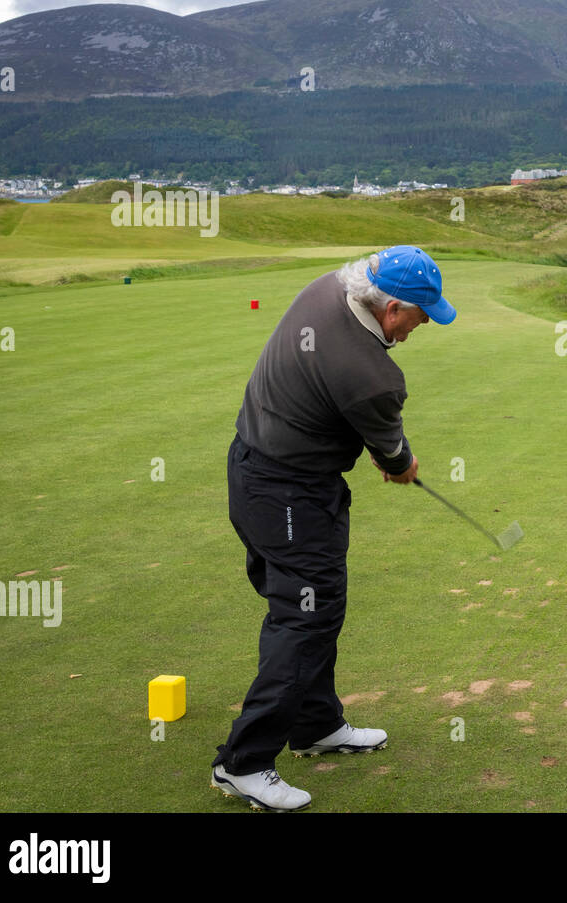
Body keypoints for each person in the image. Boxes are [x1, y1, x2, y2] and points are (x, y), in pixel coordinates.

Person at [211, 245, 455, 811]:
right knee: (306, 616)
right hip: (289, 494)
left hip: (251, 468)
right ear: (391, 308)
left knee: (308, 609)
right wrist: (401, 465)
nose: (419, 328)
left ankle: (316, 725)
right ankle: (243, 763)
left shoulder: (328, 286)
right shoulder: (373, 375)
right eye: (420, 316)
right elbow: (392, 453)